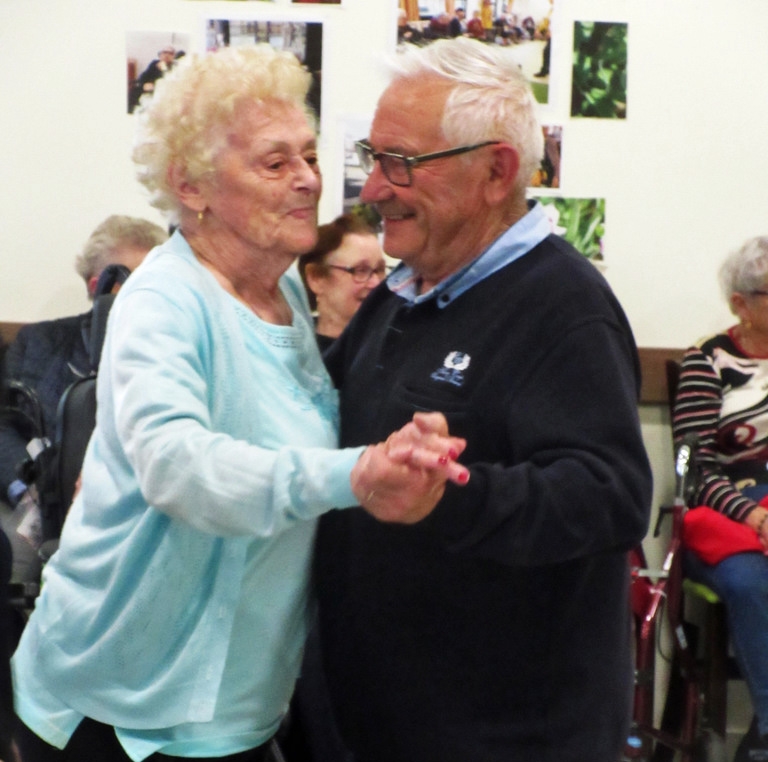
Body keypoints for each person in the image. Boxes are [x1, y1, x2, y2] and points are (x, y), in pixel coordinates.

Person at [10, 45, 468, 762]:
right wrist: (354, 473)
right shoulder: (164, 300)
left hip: (234, 706)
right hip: (121, 705)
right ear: (190, 185)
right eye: (275, 163)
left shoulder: (281, 286)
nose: (309, 181)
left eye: (310, 157)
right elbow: (178, 468)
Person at [313, 37, 652, 762]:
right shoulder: (402, 291)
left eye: (399, 162)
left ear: (496, 171)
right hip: (377, 720)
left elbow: (611, 495)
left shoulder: (564, 307)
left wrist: (451, 497)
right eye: (373, 158)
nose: (373, 188)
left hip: (501, 735)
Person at [0, 215, 166, 579]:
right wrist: (26, 492)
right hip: (42, 499)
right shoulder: (39, 344)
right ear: (99, 285)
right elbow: (6, 426)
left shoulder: (171, 352)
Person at [672, 235, 768, 762]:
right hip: (725, 508)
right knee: (750, 581)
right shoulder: (707, 361)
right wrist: (751, 513)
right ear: (742, 304)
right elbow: (694, 469)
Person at [298, 212, 386, 351]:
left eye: (379, 270)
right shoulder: (296, 354)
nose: (375, 283)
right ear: (316, 278)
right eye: (360, 270)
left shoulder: (391, 351)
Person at [128, 45, 178, 113]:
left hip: (165, 90)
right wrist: (144, 85)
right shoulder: (154, 63)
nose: (167, 55)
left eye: (170, 53)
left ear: (174, 56)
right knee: (134, 91)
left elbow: (170, 81)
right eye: (165, 52)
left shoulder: (176, 67)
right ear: (160, 55)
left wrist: (164, 69)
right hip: (150, 88)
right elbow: (144, 76)